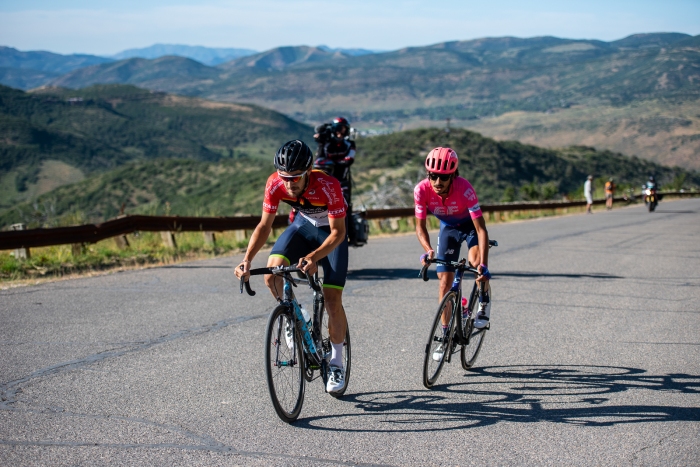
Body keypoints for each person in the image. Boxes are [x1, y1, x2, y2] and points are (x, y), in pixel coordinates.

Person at [234, 140, 349, 394]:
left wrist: (315, 257)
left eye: (295, 177)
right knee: (272, 273)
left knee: (332, 301)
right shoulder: (274, 183)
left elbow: (338, 232)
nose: (289, 183)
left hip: (330, 235)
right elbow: (264, 226)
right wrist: (247, 258)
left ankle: (337, 362)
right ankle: (295, 315)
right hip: (303, 228)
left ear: (308, 170)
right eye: (284, 176)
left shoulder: (329, 186)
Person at [414, 147, 491, 361]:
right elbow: (420, 227)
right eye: (433, 176)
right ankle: (446, 334)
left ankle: (483, 301)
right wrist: (428, 250)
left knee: (475, 263)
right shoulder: (421, 190)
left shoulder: (465, 189)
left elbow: (481, 229)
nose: (438, 181)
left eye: (444, 177)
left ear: (453, 176)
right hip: (448, 228)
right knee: (444, 282)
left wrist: (483, 265)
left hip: (470, 228)